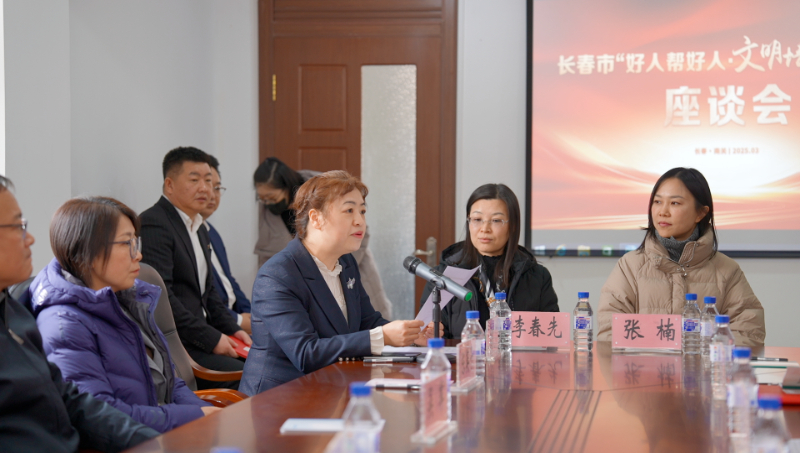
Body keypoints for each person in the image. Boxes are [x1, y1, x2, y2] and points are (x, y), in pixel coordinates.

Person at [28, 197, 219, 433]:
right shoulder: (64, 325)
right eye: (127, 243)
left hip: (164, 433)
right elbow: (102, 417)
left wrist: (205, 413)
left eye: (136, 242)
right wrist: (194, 416)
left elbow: (172, 382)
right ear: (88, 251)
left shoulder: (128, 299)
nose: (138, 255)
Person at [0, 175, 159, 452]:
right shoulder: (62, 322)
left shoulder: (12, 311)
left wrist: (155, 444)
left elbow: (70, 399)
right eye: (18, 227)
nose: (31, 238)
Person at [241, 171, 435, 394]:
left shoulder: (346, 262)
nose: (360, 220)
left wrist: (410, 334)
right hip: (278, 397)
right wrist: (384, 336)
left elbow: (367, 321)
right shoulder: (277, 275)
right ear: (316, 218)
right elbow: (306, 353)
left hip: (330, 387)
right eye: (349, 210)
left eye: (362, 211)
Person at [597, 167, 765, 346]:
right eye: (657, 201)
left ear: (701, 213)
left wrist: (697, 350)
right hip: (646, 364)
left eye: (675, 203)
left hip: (704, 365)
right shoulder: (630, 266)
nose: (663, 211)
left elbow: (749, 334)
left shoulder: (727, 270)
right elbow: (609, 332)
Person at [139, 146, 251, 389]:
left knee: (271, 365)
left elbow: (209, 293)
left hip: (202, 335)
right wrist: (212, 339)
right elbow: (163, 298)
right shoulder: (154, 223)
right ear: (169, 185)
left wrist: (233, 329)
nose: (205, 188)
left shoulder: (198, 226)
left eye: (208, 180)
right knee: (253, 377)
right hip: (179, 345)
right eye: (194, 180)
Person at [253, 157, 393, 319]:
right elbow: (266, 250)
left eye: (362, 211)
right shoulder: (275, 275)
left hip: (350, 266)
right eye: (263, 199)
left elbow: (370, 323)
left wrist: (335, 264)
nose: (267, 203)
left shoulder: (324, 189)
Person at [419, 183, 559, 339]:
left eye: (496, 220)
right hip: (463, 355)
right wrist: (428, 336)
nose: (485, 228)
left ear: (513, 226)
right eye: (477, 219)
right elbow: (431, 336)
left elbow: (550, 337)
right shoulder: (443, 276)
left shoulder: (537, 277)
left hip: (515, 356)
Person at [201, 155, 252, 334]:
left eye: (217, 188)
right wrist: (239, 320)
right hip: (215, 326)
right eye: (208, 186)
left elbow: (229, 281)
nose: (212, 195)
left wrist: (250, 313)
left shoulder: (212, 232)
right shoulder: (184, 234)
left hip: (234, 318)